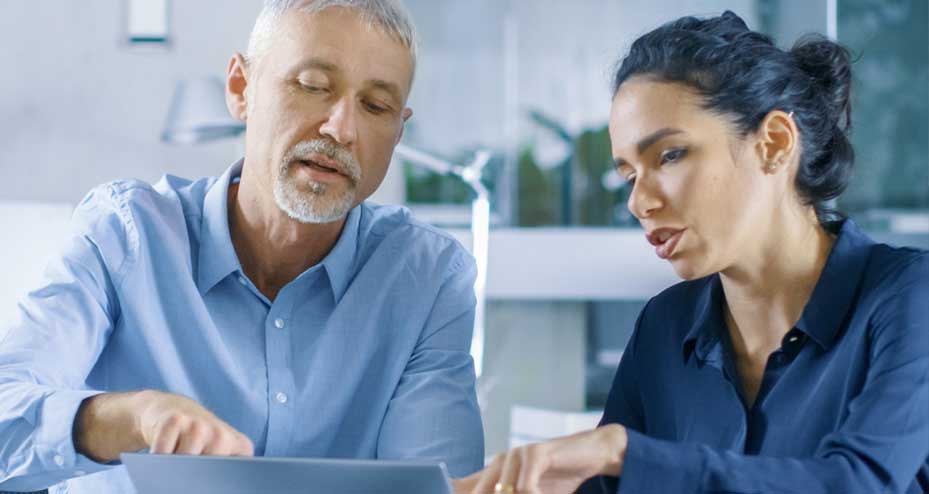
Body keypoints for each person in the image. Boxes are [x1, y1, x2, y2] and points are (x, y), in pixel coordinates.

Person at [0, 1, 485, 492]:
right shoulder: (125, 234)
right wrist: (133, 417)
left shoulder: (429, 279)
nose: (342, 129)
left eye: (375, 107)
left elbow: (437, 484)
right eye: (313, 86)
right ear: (240, 89)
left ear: (398, 132)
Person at [456, 11, 928, 494]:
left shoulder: (908, 299)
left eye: (670, 155)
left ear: (774, 144)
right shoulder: (665, 327)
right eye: (629, 176)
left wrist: (624, 453)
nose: (640, 202)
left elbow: (860, 483)